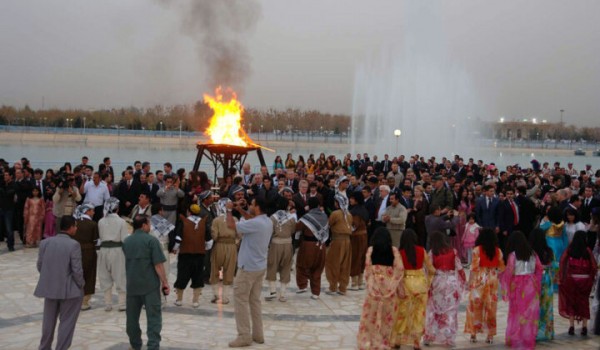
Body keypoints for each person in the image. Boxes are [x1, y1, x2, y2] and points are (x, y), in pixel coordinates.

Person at [225, 197, 272, 348]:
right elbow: (250, 219)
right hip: (259, 267)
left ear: (257, 207)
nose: (250, 206)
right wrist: (240, 210)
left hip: (248, 268)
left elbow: (231, 224)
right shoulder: (267, 221)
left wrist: (229, 210)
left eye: (252, 204)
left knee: (240, 300)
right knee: (254, 301)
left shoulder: (256, 223)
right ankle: (258, 335)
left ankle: (244, 336)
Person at [34, 215, 84, 350]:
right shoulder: (74, 244)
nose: (76, 228)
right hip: (69, 290)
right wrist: (81, 285)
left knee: (48, 322)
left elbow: (40, 265)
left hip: (50, 288)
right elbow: (77, 270)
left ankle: (44, 347)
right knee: (66, 323)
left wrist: (51, 277)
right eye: (75, 226)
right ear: (71, 227)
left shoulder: (45, 243)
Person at [122, 215, 170, 350]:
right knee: (153, 318)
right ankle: (153, 346)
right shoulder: (151, 241)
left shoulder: (127, 241)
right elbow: (158, 265)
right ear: (144, 225)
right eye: (149, 224)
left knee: (131, 318)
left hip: (132, 286)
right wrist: (165, 283)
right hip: (150, 286)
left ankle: (135, 344)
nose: (150, 227)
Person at [356, 227, 404, 349]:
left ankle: (369, 341)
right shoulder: (394, 251)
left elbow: (367, 270)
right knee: (387, 316)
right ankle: (384, 342)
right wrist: (393, 286)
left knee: (370, 316)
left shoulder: (370, 250)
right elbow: (399, 269)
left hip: (375, 286)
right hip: (389, 286)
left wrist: (371, 285)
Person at [392, 229, 435, 350]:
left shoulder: (400, 253)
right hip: (421, 285)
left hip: (406, 285)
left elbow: (397, 273)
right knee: (419, 314)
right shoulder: (422, 250)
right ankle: (416, 342)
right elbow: (432, 270)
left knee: (402, 313)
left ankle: (398, 340)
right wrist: (428, 283)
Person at [500, 231, 543, 349]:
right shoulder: (533, 254)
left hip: (518, 286)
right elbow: (539, 269)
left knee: (516, 312)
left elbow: (509, 272)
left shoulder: (513, 255)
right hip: (531, 285)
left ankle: (516, 337)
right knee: (530, 313)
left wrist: (506, 286)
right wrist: (536, 283)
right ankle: (528, 337)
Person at [423, 230, 466, 347]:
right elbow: (460, 269)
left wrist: (427, 285)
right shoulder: (453, 251)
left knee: (433, 310)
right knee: (451, 311)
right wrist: (463, 283)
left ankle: (429, 336)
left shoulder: (432, 252)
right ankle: (449, 338)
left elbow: (429, 270)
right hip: (451, 283)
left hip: (437, 283)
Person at [464, 227, 505, 344]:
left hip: (479, 280)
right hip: (492, 279)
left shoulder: (477, 250)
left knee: (474, 307)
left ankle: (473, 334)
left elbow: (473, 268)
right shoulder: (498, 251)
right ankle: (490, 336)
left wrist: (469, 283)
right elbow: (502, 268)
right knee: (491, 307)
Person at [173, 204, 212, 308]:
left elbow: (178, 238)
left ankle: (179, 300)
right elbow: (209, 241)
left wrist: (175, 249)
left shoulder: (184, 221)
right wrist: (203, 248)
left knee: (182, 276)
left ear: (189, 212)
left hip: (185, 255)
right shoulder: (203, 222)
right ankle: (195, 301)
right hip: (199, 256)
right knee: (198, 277)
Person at [558, 230, 597, 336]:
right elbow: (594, 266)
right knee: (584, 302)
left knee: (571, 303)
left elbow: (562, 261)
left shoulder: (570, 250)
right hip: (585, 280)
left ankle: (571, 326)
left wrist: (563, 276)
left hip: (571, 280)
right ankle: (584, 327)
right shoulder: (587, 251)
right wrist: (591, 278)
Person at [97, 197, 129, 311]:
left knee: (105, 276)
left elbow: (100, 237)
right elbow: (125, 238)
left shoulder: (101, 221)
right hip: (117, 250)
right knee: (120, 275)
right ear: (117, 208)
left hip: (103, 251)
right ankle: (121, 304)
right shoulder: (121, 221)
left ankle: (108, 304)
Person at [295, 196, 329, 300]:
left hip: (308, 245)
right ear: (319, 205)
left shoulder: (307, 217)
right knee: (317, 268)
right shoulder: (324, 216)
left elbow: (296, 227)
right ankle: (316, 292)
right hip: (321, 246)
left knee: (301, 265)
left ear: (309, 206)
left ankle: (302, 285)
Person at [265, 196, 296, 302]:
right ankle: (282, 294)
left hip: (275, 244)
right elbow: (293, 231)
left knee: (272, 266)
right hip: (287, 244)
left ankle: (273, 291)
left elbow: (269, 232)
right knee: (286, 268)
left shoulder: (272, 217)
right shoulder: (291, 217)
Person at [209, 198, 238, 304]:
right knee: (229, 270)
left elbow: (215, 236)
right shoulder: (235, 219)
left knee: (215, 269)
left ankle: (216, 295)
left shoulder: (216, 220)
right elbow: (239, 235)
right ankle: (225, 297)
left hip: (219, 245)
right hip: (231, 246)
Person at [529, 228, 555, 341]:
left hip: (533, 280)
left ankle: (532, 331)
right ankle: (546, 332)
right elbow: (555, 267)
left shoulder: (530, 252)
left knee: (533, 306)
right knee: (546, 306)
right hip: (547, 280)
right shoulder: (548, 251)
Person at [325, 194, 354, 295]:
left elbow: (328, 225)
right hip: (348, 241)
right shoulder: (349, 214)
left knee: (333, 263)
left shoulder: (335, 213)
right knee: (345, 265)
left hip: (337, 241)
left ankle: (333, 287)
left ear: (337, 203)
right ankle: (342, 288)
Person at [72, 204, 99, 310]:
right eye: (92, 210)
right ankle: (85, 301)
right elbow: (96, 240)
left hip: (75, 251)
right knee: (89, 274)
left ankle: (74, 299)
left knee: (76, 273)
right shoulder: (92, 224)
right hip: (89, 251)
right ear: (87, 211)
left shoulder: (75, 223)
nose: (93, 212)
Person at [149, 203, 174, 305]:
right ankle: (163, 298)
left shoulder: (148, 222)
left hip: (150, 252)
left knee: (151, 275)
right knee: (164, 274)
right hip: (163, 251)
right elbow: (171, 238)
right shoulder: (166, 223)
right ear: (160, 211)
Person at [540, 206, 567, 292]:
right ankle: (559, 283)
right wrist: (565, 247)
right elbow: (565, 237)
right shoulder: (563, 224)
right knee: (560, 263)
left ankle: (552, 283)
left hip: (550, 243)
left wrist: (545, 220)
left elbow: (540, 229)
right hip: (560, 243)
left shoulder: (549, 224)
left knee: (551, 263)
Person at [349, 191, 369, 290]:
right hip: (364, 236)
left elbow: (353, 226)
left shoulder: (354, 212)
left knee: (355, 258)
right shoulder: (364, 209)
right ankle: (360, 282)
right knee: (361, 257)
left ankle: (354, 283)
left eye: (352, 198)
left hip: (356, 237)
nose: (350, 200)